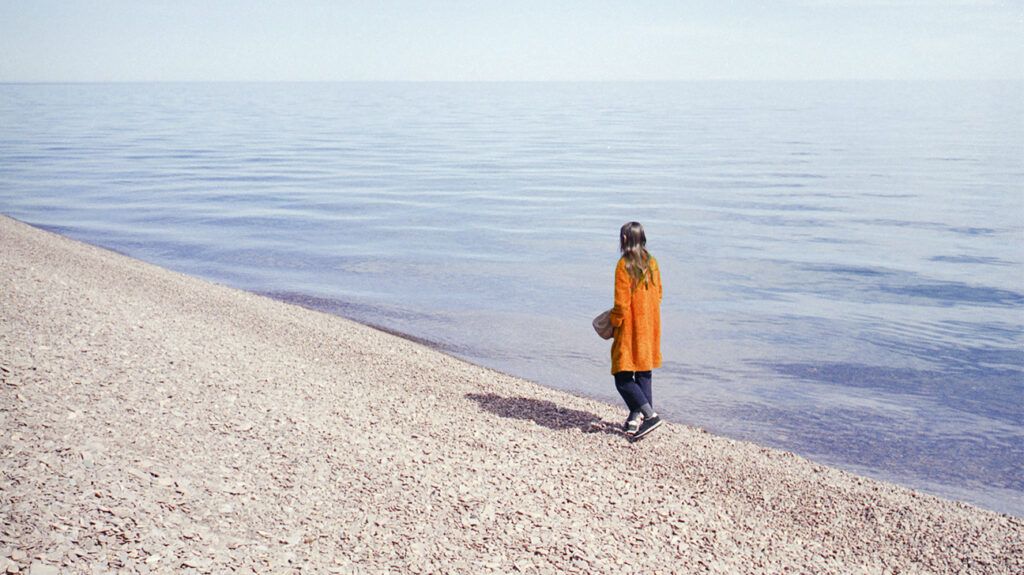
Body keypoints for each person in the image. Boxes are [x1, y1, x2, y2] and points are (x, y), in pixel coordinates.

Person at [609, 221, 663, 440]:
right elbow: (659, 293)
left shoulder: (624, 265)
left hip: (631, 327)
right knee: (643, 372)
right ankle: (636, 418)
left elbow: (621, 304)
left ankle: (650, 416)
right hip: (650, 325)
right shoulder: (652, 262)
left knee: (621, 376)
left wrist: (614, 322)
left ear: (624, 240)